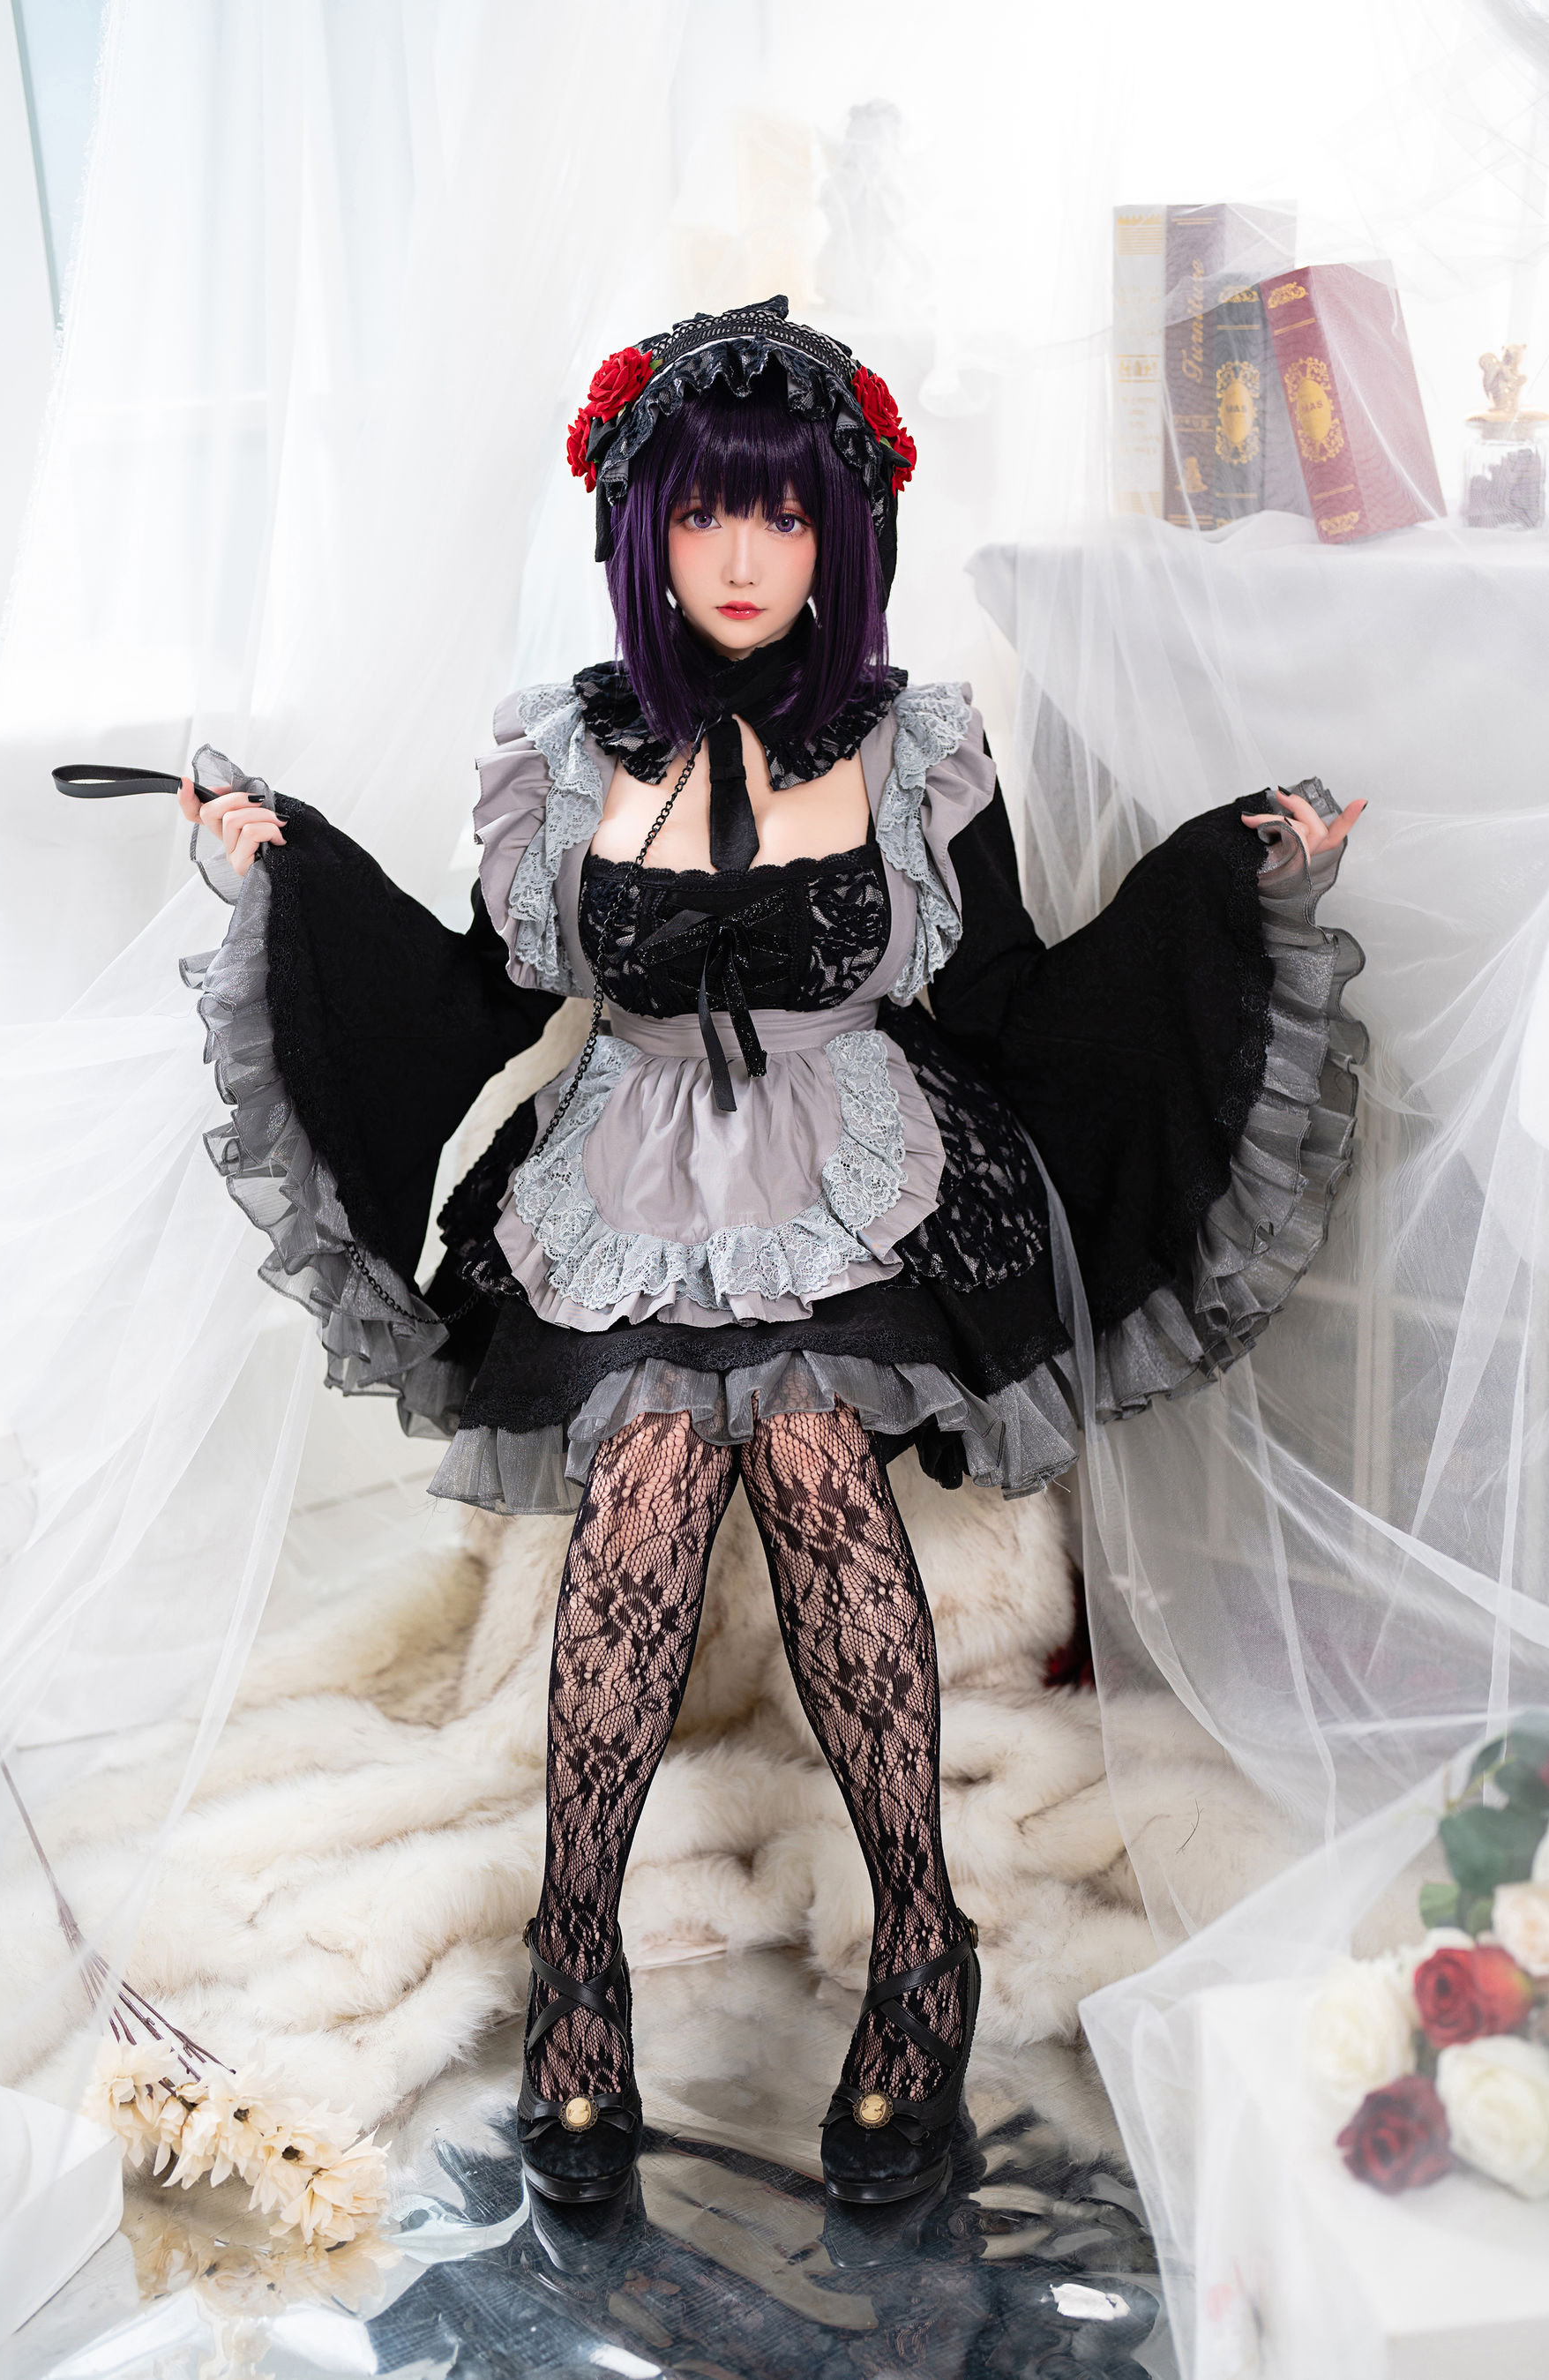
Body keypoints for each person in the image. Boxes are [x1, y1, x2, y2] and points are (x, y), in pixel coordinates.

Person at [179, 295, 1365, 2211]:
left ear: (842, 533)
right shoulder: (562, 753)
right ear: (643, 526)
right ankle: (578, 1960)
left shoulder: (914, 748)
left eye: (789, 514)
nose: (746, 554)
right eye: (710, 512)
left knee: (813, 1445)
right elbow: (477, 1000)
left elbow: (1017, 1005)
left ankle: (922, 1942)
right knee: (651, 1460)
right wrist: (286, 864)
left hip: (857, 1171)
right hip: (631, 1182)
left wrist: (1234, 870)